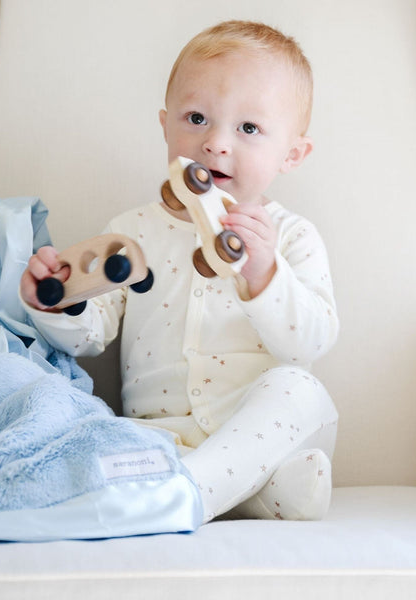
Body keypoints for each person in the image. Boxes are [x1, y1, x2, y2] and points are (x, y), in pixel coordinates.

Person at [20, 20, 339, 523]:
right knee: (92, 434)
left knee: (302, 392)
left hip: (255, 429)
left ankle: (188, 493)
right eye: (196, 118)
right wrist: (59, 297)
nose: (215, 143)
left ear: (292, 153)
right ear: (166, 125)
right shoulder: (133, 231)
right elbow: (89, 333)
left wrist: (264, 274)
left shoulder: (291, 237)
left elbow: (311, 343)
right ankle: (247, 493)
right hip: (157, 436)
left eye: (249, 128)